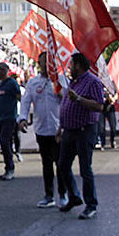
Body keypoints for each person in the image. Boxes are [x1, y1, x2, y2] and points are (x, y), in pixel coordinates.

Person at [56, 53, 104, 219]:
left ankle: (91, 204)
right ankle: (74, 196)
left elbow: (98, 106)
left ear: (78, 65)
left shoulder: (93, 82)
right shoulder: (73, 82)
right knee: (62, 165)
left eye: (71, 65)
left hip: (85, 130)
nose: (69, 67)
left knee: (85, 169)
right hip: (69, 130)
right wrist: (60, 128)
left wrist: (79, 99)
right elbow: (65, 105)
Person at [19, 52, 68, 208]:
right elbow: (26, 101)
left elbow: (68, 100)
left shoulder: (61, 80)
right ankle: (48, 195)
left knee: (60, 164)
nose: (45, 66)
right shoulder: (33, 83)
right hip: (42, 130)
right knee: (46, 164)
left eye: (48, 63)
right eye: (42, 63)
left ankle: (63, 194)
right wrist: (22, 118)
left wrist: (59, 91)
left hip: (58, 129)